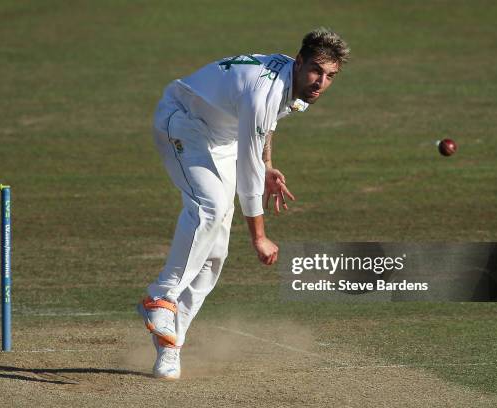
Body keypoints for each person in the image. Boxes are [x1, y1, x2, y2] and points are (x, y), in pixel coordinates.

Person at [137, 27, 350, 379]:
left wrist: (268, 165)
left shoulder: (291, 83)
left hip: (220, 139)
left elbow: (265, 129)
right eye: (315, 70)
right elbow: (248, 171)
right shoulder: (263, 91)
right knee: (210, 208)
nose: (321, 82)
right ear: (299, 62)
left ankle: (170, 344)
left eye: (330, 76)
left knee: (215, 252)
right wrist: (258, 237)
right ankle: (160, 297)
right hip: (182, 122)